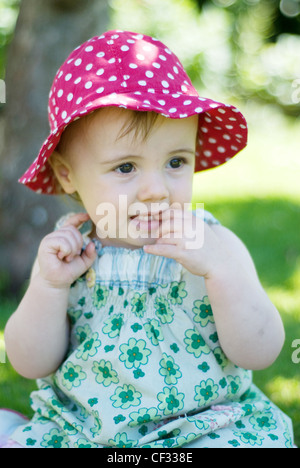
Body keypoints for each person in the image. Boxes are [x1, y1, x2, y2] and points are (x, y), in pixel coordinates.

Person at [1, 30, 294, 448]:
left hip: (200, 427)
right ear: (68, 175)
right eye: (125, 168)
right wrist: (49, 287)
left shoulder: (214, 244)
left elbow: (259, 352)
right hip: (86, 430)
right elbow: (30, 362)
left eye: (176, 161)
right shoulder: (69, 252)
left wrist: (222, 273)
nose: (156, 189)